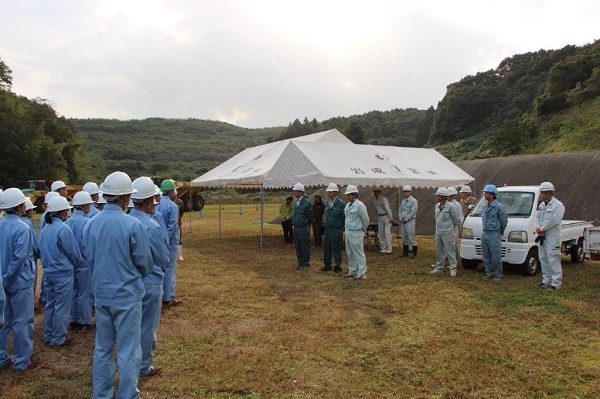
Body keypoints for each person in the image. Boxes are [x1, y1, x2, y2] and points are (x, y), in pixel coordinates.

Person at [82, 171, 153, 399]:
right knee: (128, 350)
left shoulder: (90, 224)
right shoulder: (131, 224)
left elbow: (88, 257)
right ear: (124, 198)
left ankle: (101, 394)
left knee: (102, 348)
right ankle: (127, 394)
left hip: (101, 295)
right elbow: (144, 262)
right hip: (127, 296)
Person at [130, 177, 169, 378]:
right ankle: (144, 365)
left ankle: (132, 361)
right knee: (147, 326)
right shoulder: (151, 226)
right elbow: (162, 258)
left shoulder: (126, 221)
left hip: (131, 283)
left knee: (132, 326)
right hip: (151, 281)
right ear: (147, 202)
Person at [0, 188, 41, 372]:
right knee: (23, 322)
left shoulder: (1, 225)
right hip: (19, 282)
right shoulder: (23, 228)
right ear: (19, 207)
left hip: (3, 282)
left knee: (4, 321)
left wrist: (2, 281)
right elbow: (19, 259)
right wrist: (8, 279)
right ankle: (22, 361)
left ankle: (2, 357)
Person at [39, 196, 82, 347]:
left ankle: (48, 334)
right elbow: (73, 253)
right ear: (63, 211)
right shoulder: (63, 229)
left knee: (51, 303)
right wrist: (77, 265)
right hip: (63, 273)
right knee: (62, 306)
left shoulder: (45, 229)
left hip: (49, 272)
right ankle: (58, 338)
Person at [66, 191, 94, 331]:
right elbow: (88, 244)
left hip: (71, 262)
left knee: (74, 291)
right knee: (85, 292)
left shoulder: (68, 222)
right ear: (84, 206)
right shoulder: (86, 223)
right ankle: (84, 320)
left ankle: (73, 319)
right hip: (84, 262)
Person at [535, 182, 565, 291]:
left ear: (548, 193)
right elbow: (537, 218)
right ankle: (546, 280)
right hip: (543, 235)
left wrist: (542, 229)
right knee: (543, 258)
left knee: (553, 259)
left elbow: (555, 221)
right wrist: (538, 228)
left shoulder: (558, 206)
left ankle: (556, 283)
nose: (540, 195)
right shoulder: (542, 205)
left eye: (542, 193)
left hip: (553, 236)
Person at [157, 179, 182, 307]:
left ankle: (160, 295)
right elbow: (172, 227)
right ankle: (168, 297)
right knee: (170, 269)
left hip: (159, 241)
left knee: (160, 269)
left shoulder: (157, 204)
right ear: (171, 191)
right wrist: (167, 241)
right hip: (170, 242)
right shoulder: (173, 206)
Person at [480, 184, 508, 281]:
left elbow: (504, 221)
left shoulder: (499, 207)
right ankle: (489, 272)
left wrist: (500, 231)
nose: (485, 194)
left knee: (495, 255)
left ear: (492, 195)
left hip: (494, 233)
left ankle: (498, 274)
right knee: (485, 254)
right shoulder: (484, 206)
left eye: (487, 193)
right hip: (485, 232)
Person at [430, 188, 460, 277]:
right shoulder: (436, 206)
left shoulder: (451, 206)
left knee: (450, 250)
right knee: (439, 250)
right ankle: (439, 267)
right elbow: (437, 219)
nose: (437, 197)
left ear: (443, 197)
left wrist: (450, 229)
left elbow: (455, 220)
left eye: (438, 195)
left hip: (448, 232)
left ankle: (453, 268)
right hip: (439, 231)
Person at [344, 185, 369, 280]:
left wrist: (362, 230)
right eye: (347, 194)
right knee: (350, 253)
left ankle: (362, 273)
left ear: (355, 195)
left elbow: (365, 220)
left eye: (349, 194)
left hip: (356, 232)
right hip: (348, 232)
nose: (347, 196)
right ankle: (352, 270)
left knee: (358, 253)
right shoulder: (347, 205)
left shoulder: (360, 206)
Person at [319, 183, 345, 273]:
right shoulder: (327, 203)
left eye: (330, 192)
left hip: (336, 228)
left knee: (336, 247)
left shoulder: (341, 204)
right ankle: (327, 265)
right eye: (328, 192)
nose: (329, 194)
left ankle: (337, 265)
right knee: (327, 247)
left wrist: (341, 226)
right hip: (328, 228)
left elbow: (343, 217)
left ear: (336, 193)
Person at [291, 183, 314, 270]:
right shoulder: (296, 202)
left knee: (304, 246)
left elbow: (310, 216)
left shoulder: (306, 203)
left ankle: (305, 263)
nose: (294, 193)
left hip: (303, 227)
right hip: (296, 227)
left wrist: (305, 223)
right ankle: (300, 262)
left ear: (301, 192)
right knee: (298, 246)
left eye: (295, 191)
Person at [398, 185, 418, 259]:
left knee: (411, 236)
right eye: (404, 191)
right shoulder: (403, 201)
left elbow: (413, 212)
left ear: (410, 192)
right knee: (404, 237)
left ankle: (414, 254)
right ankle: (405, 253)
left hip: (409, 221)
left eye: (407, 191)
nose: (405, 193)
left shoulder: (414, 201)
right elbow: (400, 210)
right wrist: (400, 218)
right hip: (403, 221)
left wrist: (406, 219)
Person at [373, 188, 394, 254]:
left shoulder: (384, 199)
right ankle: (383, 247)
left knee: (387, 232)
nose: (376, 193)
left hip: (386, 216)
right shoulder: (374, 201)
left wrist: (391, 217)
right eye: (374, 191)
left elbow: (388, 208)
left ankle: (389, 248)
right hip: (380, 217)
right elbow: (376, 209)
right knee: (381, 233)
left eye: (377, 191)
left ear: (380, 191)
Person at [174, 194, 184, 261]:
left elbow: (181, 212)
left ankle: (179, 255)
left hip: (178, 223)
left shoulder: (179, 202)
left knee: (179, 238)